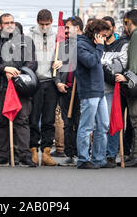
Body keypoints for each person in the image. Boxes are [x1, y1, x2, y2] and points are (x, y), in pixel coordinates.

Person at [0, 13, 37, 167]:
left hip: (21, 86)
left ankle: (25, 155)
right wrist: (4, 69)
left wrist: (19, 72)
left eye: (12, 22)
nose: (10, 25)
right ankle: (3, 155)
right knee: (1, 121)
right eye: (6, 23)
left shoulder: (26, 42)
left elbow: (33, 62)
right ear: (1, 26)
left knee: (22, 120)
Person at [115, 9, 137, 167]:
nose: (124, 27)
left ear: (128, 21)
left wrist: (128, 77)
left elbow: (135, 61)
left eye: (124, 23)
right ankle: (136, 154)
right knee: (136, 118)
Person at [28, 9, 61, 166]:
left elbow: (63, 57)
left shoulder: (58, 37)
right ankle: (33, 150)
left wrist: (60, 62)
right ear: (37, 22)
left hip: (51, 82)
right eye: (42, 24)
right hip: (35, 82)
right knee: (33, 118)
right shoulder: (30, 36)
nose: (45, 27)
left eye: (47, 24)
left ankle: (46, 151)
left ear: (52, 22)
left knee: (49, 119)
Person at [76, 19, 110, 169]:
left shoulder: (95, 46)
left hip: (99, 91)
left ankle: (99, 158)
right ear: (95, 34)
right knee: (87, 126)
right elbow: (89, 62)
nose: (105, 38)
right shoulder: (80, 45)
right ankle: (83, 159)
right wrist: (100, 48)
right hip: (89, 91)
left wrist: (98, 47)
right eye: (103, 35)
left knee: (103, 125)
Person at [54, 16, 83, 166]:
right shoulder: (62, 46)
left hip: (80, 90)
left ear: (77, 28)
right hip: (65, 89)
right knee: (67, 122)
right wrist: (58, 82)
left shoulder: (84, 44)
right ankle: (69, 153)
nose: (65, 30)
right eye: (64, 28)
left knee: (79, 123)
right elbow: (56, 67)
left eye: (68, 27)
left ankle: (80, 153)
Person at [101, 16, 129, 168]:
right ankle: (100, 152)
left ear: (113, 27)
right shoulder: (96, 44)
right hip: (97, 89)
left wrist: (104, 67)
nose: (104, 31)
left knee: (112, 122)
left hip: (113, 90)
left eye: (107, 28)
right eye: (102, 29)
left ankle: (111, 154)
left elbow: (120, 67)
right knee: (98, 124)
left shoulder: (123, 45)